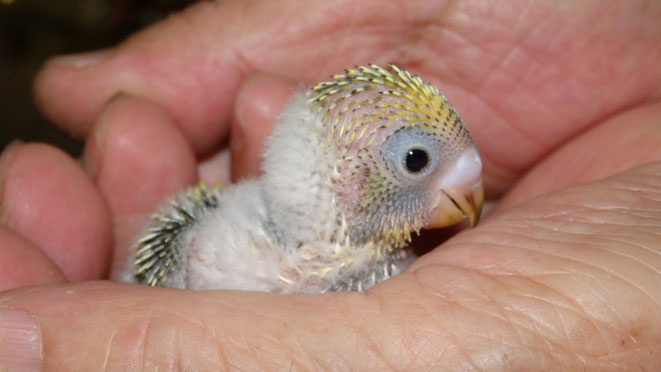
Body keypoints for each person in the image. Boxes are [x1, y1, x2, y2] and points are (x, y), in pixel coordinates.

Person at [1, 0, 660, 369]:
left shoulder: (392, 265)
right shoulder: (213, 246)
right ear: (346, 171)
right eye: (414, 161)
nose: (465, 195)